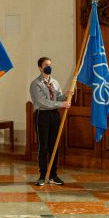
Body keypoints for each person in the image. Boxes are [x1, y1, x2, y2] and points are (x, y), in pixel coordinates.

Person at [30, 57, 72, 187]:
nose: (49, 67)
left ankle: (53, 175)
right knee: (44, 147)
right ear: (40, 68)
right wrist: (61, 104)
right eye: (46, 65)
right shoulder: (36, 84)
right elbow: (42, 102)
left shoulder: (54, 82)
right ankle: (43, 175)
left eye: (50, 65)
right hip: (42, 115)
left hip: (54, 115)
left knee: (54, 146)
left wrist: (67, 95)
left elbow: (58, 96)